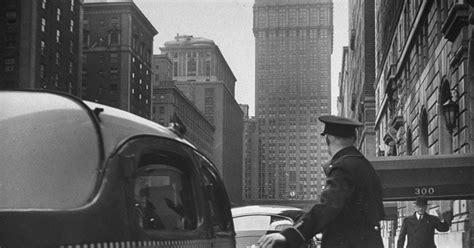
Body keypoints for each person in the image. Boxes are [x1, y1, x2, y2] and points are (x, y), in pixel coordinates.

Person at [258, 115, 385, 248]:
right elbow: (378, 212)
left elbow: (327, 207)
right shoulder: (365, 166)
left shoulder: (343, 167)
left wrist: (291, 234)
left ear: (329, 138)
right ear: (354, 138)